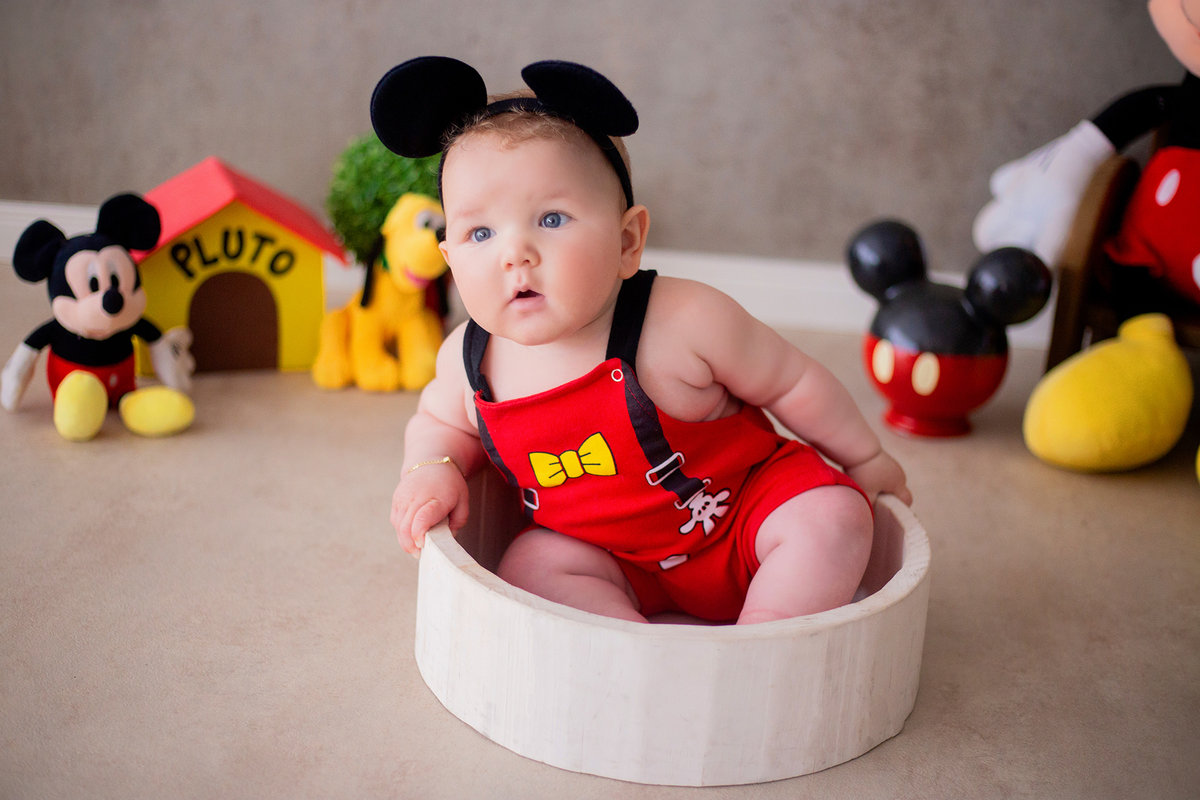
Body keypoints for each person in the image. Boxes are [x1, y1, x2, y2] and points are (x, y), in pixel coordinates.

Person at [383, 58, 911, 625]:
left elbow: (793, 380)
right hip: (609, 555)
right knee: (530, 566)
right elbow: (439, 424)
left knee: (833, 518)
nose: (515, 253)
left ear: (627, 241)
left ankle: (761, 648)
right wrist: (430, 467)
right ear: (449, 261)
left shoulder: (683, 319)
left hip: (744, 518)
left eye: (552, 219)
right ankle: (636, 656)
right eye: (480, 233)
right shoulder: (468, 361)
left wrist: (865, 457)